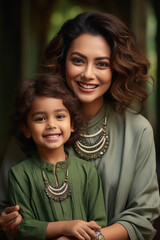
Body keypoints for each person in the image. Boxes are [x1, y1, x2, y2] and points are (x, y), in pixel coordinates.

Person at [0, 11, 160, 240]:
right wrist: (8, 222)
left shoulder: (137, 130)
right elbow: (7, 207)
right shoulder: (34, 123)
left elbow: (143, 217)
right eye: (78, 60)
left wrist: (90, 238)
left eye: (102, 64)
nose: (88, 74)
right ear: (63, 61)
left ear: (116, 68)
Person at [7, 74, 107, 240]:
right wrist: (66, 227)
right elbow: (23, 227)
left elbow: (99, 224)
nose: (51, 124)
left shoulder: (88, 172)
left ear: (72, 124)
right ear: (26, 129)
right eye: (40, 118)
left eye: (60, 116)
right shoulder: (19, 174)